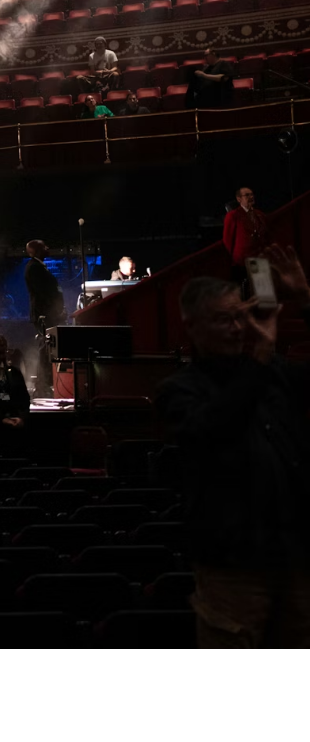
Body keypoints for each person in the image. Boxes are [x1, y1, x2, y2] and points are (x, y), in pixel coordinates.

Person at [156, 246, 310, 648]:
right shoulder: (178, 390)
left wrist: (305, 300)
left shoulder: (271, 371)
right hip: (233, 568)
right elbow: (213, 429)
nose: (238, 328)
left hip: (294, 558)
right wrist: (260, 356)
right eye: (224, 320)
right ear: (191, 327)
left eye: (240, 316)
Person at [24, 240, 65, 398]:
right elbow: (44, 294)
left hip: (48, 314)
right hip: (45, 315)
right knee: (45, 350)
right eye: (44, 246)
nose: (48, 248)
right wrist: (55, 311)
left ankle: (46, 384)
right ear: (36, 250)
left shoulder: (39, 266)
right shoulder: (34, 268)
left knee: (48, 349)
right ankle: (42, 386)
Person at [223, 186, 269, 269]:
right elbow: (228, 240)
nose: (251, 197)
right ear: (239, 199)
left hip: (260, 258)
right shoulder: (233, 216)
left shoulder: (260, 215)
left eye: (252, 195)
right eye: (247, 195)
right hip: (242, 261)